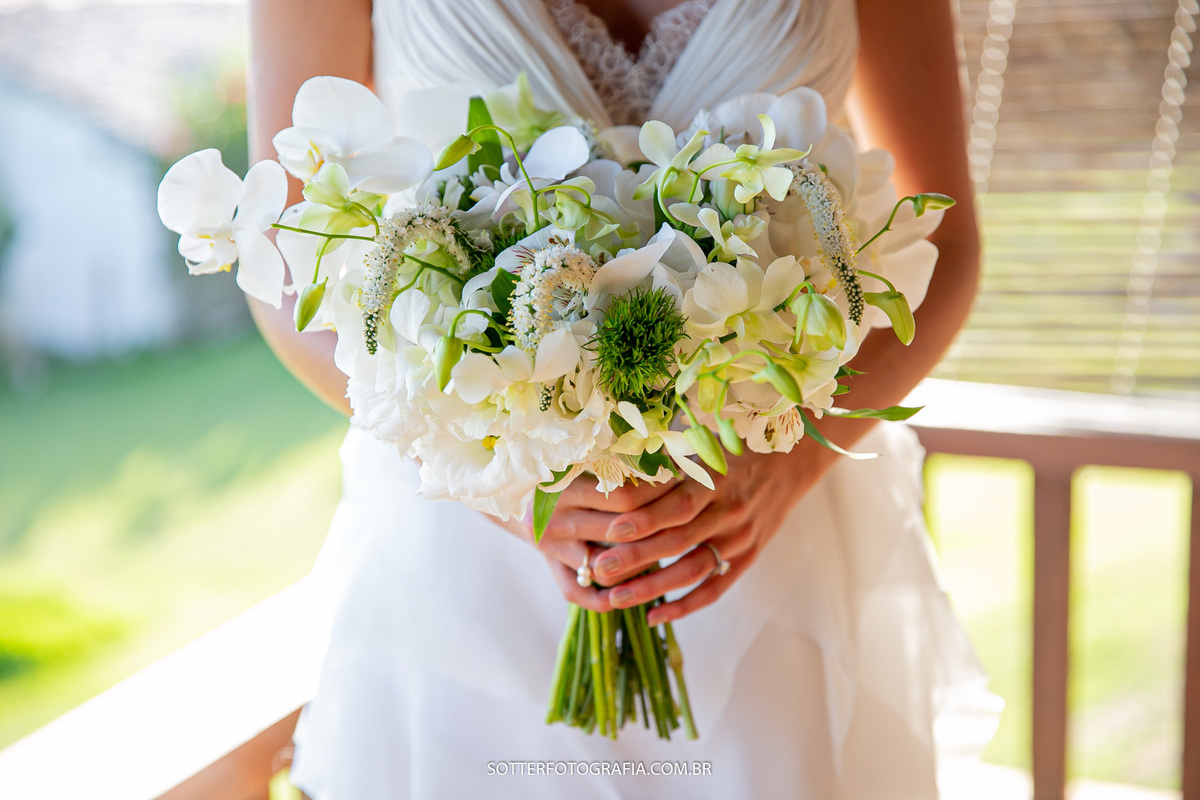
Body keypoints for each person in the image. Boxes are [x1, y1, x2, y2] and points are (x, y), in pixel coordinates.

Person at [246, 0, 994, 796]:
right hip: (468, 557)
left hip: (759, 538)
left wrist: (792, 461)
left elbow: (945, 242)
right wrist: (504, 482)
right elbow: (284, 269)